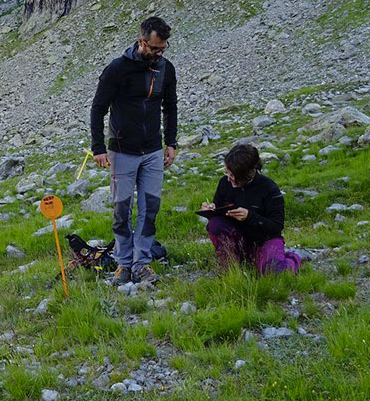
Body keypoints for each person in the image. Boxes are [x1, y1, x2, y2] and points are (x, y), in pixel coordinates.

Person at [90, 17, 178, 285]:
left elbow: (170, 107)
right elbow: (98, 109)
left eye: (163, 49)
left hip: (152, 150)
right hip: (122, 151)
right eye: (154, 49)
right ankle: (123, 264)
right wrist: (98, 148)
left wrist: (171, 143)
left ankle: (142, 263)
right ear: (141, 42)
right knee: (122, 209)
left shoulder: (166, 69)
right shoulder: (117, 69)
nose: (159, 54)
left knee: (150, 208)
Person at [201, 144, 301, 274]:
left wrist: (250, 216)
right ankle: (232, 266)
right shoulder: (224, 184)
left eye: (233, 176)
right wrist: (211, 210)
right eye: (227, 173)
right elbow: (219, 214)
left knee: (273, 272)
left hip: (264, 240)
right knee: (215, 224)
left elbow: (277, 226)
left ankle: (293, 258)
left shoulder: (269, 188)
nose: (229, 179)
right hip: (238, 238)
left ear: (247, 174)